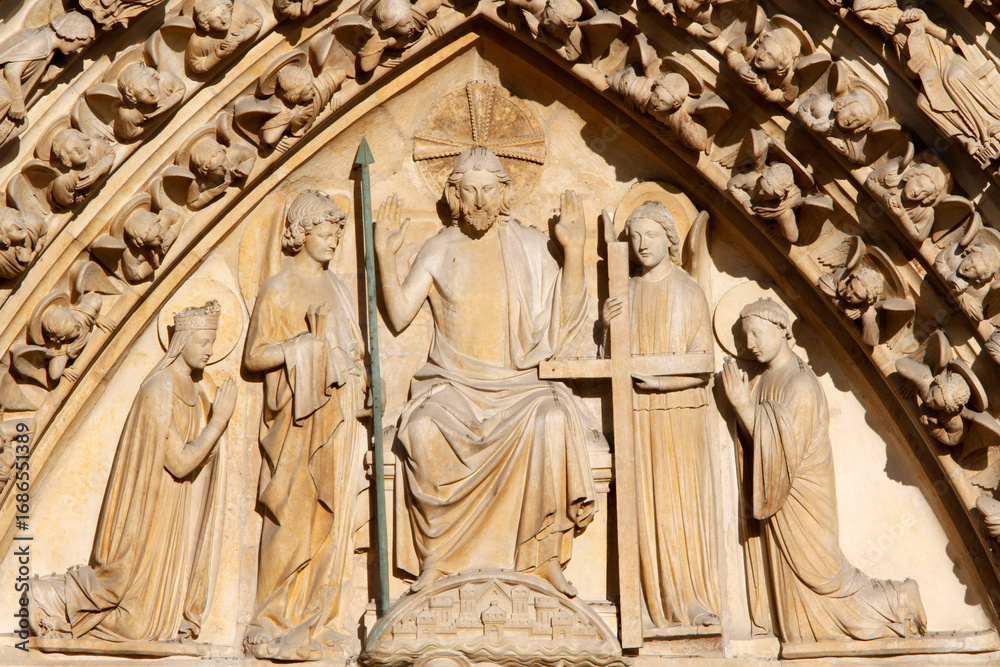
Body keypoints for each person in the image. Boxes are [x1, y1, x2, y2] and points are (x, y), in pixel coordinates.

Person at [375, 147, 597, 598]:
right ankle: (437, 561)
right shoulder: (439, 248)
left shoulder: (533, 247)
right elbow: (398, 316)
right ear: (454, 195)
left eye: (488, 190)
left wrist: (574, 252)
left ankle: (542, 558)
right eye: (469, 190)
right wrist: (383, 255)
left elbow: (565, 321)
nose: (478, 201)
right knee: (419, 429)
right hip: (452, 387)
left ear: (504, 193)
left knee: (552, 419)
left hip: (520, 387)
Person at [720, 298, 927, 643]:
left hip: (800, 498)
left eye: (755, 333)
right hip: (777, 496)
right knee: (797, 584)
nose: (749, 344)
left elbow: (785, 450)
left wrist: (742, 405)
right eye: (745, 337)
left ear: (781, 329)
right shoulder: (763, 380)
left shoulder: (800, 384)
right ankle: (804, 640)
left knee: (822, 577)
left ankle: (897, 597)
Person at [28, 300, 236, 641]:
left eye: (213, 342)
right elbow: (181, 462)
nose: (210, 351)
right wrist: (220, 421)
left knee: (151, 627)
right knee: (134, 625)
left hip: (173, 516)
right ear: (182, 342)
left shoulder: (198, 393)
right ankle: (47, 598)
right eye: (204, 342)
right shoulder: (159, 389)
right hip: (147, 522)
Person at [243, 190, 368, 662]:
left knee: (333, 521)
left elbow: (352, 348)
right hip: (296, 424)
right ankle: (268, 620)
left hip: (339, 416)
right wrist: (304, 346)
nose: (334, 239)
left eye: (338, 231)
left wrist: (357, 370)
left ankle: (319, 619)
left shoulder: (337, 287)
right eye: (325, 231)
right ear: (299, 233)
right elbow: (255, 356)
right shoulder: (278, 288)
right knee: (293, 517)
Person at [600, 201, 719, 629]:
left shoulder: (687, 292)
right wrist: (606, 327)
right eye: (633, 237)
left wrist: (660, 384)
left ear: (670, 239)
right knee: (642, 506)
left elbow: (703, 363)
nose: (641, 244)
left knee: (678, 506)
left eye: (650, 235)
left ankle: (690, 600)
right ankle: (649, 606)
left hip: (679, 417)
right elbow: (609, 364)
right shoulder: (625, 292)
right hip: (637, 415)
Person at [0, 12, 95, 147]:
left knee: (21, 124)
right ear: (71, 35)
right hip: (3, 85)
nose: (78, 51)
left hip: (5, 85)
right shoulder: (41, 43)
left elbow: (26, 72)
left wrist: (47, 75)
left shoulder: (46, 47)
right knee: (5, 99)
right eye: (80, 45)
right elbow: (12, 71)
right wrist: (17, 101)